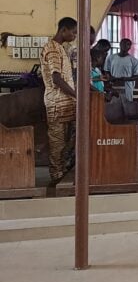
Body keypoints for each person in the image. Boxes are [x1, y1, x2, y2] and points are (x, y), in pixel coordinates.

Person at [40, 17, 77, 186]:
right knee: (57, 141)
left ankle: (63, 171)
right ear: (64, 30)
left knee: (66, 141)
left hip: (65, 103)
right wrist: (77, 95)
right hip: (57, 103)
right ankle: (56, 176)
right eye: (73, 32)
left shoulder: (60, 48)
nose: (75, 36)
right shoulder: (53, 49)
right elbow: (56, 79)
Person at [104, 38, 138, 103]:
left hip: (127, 88)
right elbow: (106, 70)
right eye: (123, 43)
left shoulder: (133, 60)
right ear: (120, 44)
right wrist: (110, 78)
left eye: (127, 44)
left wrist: (125, 79)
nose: (125, 45)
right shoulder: (111, 58)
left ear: (130, 47)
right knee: (114, 106)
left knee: (126, 107)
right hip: (114, 86)